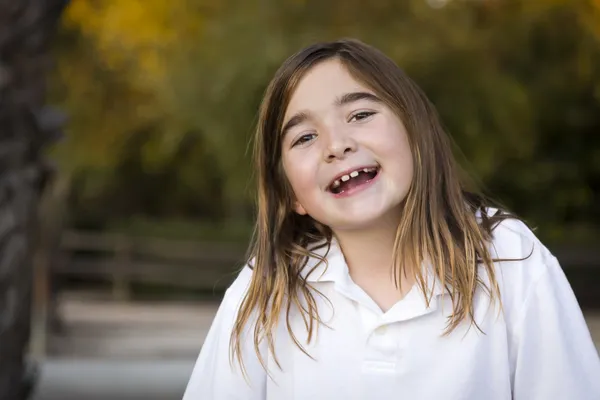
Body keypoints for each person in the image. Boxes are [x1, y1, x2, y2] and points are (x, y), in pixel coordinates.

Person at [182, 38, 600, 400]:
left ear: (415, 132)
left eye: (360, 115)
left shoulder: (509, 259)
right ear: (291, 193)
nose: (337, 145)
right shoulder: (267, 287)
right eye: (305, 137)